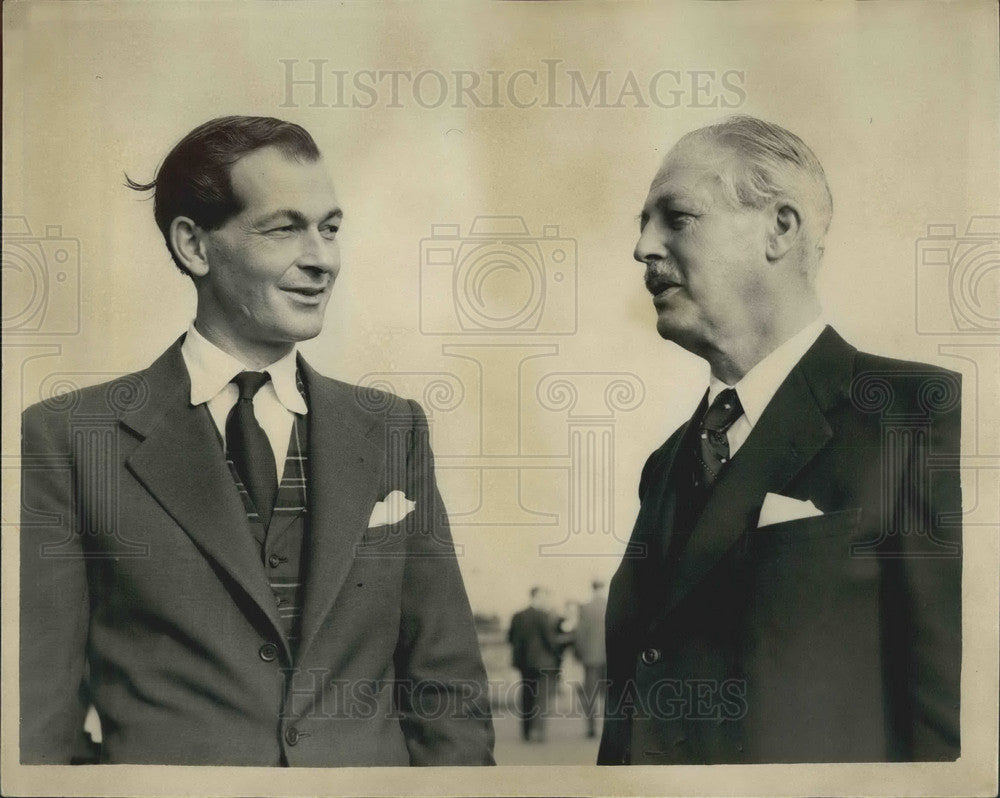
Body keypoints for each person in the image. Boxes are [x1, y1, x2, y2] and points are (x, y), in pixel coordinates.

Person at [19, 116, 494, 766]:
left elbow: (448, 690)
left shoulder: (392, 429)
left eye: (330, 228)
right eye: (284, 228)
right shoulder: (70, 440)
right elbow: (36, 720)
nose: (322, 259)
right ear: (194, 245)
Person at [598, 115, 962, 765]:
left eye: (676, 218)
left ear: (780, 228)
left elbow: (947, 715)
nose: (643, 248)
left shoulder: (923, 414)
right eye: (641, 224)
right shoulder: (664, 466)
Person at [507, 587, 561, 742]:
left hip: (524, 664)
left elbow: (510, 638)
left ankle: (526, 732)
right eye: (544, 597)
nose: (546, 600)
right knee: (541, 698)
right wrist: (558, 655)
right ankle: (538, 731)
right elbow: (550, 641)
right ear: (537, 597)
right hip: (544, 664)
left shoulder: (518, 616)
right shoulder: (543, 616)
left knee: (527, 697)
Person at [573, 580, 608, 738]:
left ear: (592, 589)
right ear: (603, 588)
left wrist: (580, 654)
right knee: (610, 695)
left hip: (591, 659)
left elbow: (579, 634)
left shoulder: (585, 608)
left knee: (590, 695)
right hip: (610, 658)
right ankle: (610, 728)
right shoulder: (611, 604)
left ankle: (591, 728)